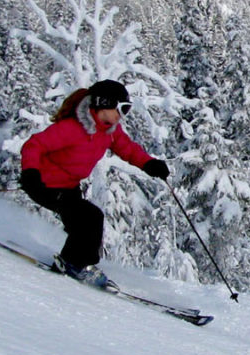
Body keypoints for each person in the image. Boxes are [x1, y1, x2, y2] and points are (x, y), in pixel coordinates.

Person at [18, 79, 170, 283]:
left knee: (82, 224)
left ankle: (70, 262)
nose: (123, 115)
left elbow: (128, 149)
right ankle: (75, 265)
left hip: (69, 188)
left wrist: (149, 164)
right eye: (122, 108)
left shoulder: (108, 131)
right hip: (45, 185)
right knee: (90, 217)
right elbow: (34, 145)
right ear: (104, 103)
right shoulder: (72, 128)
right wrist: (30, 174)